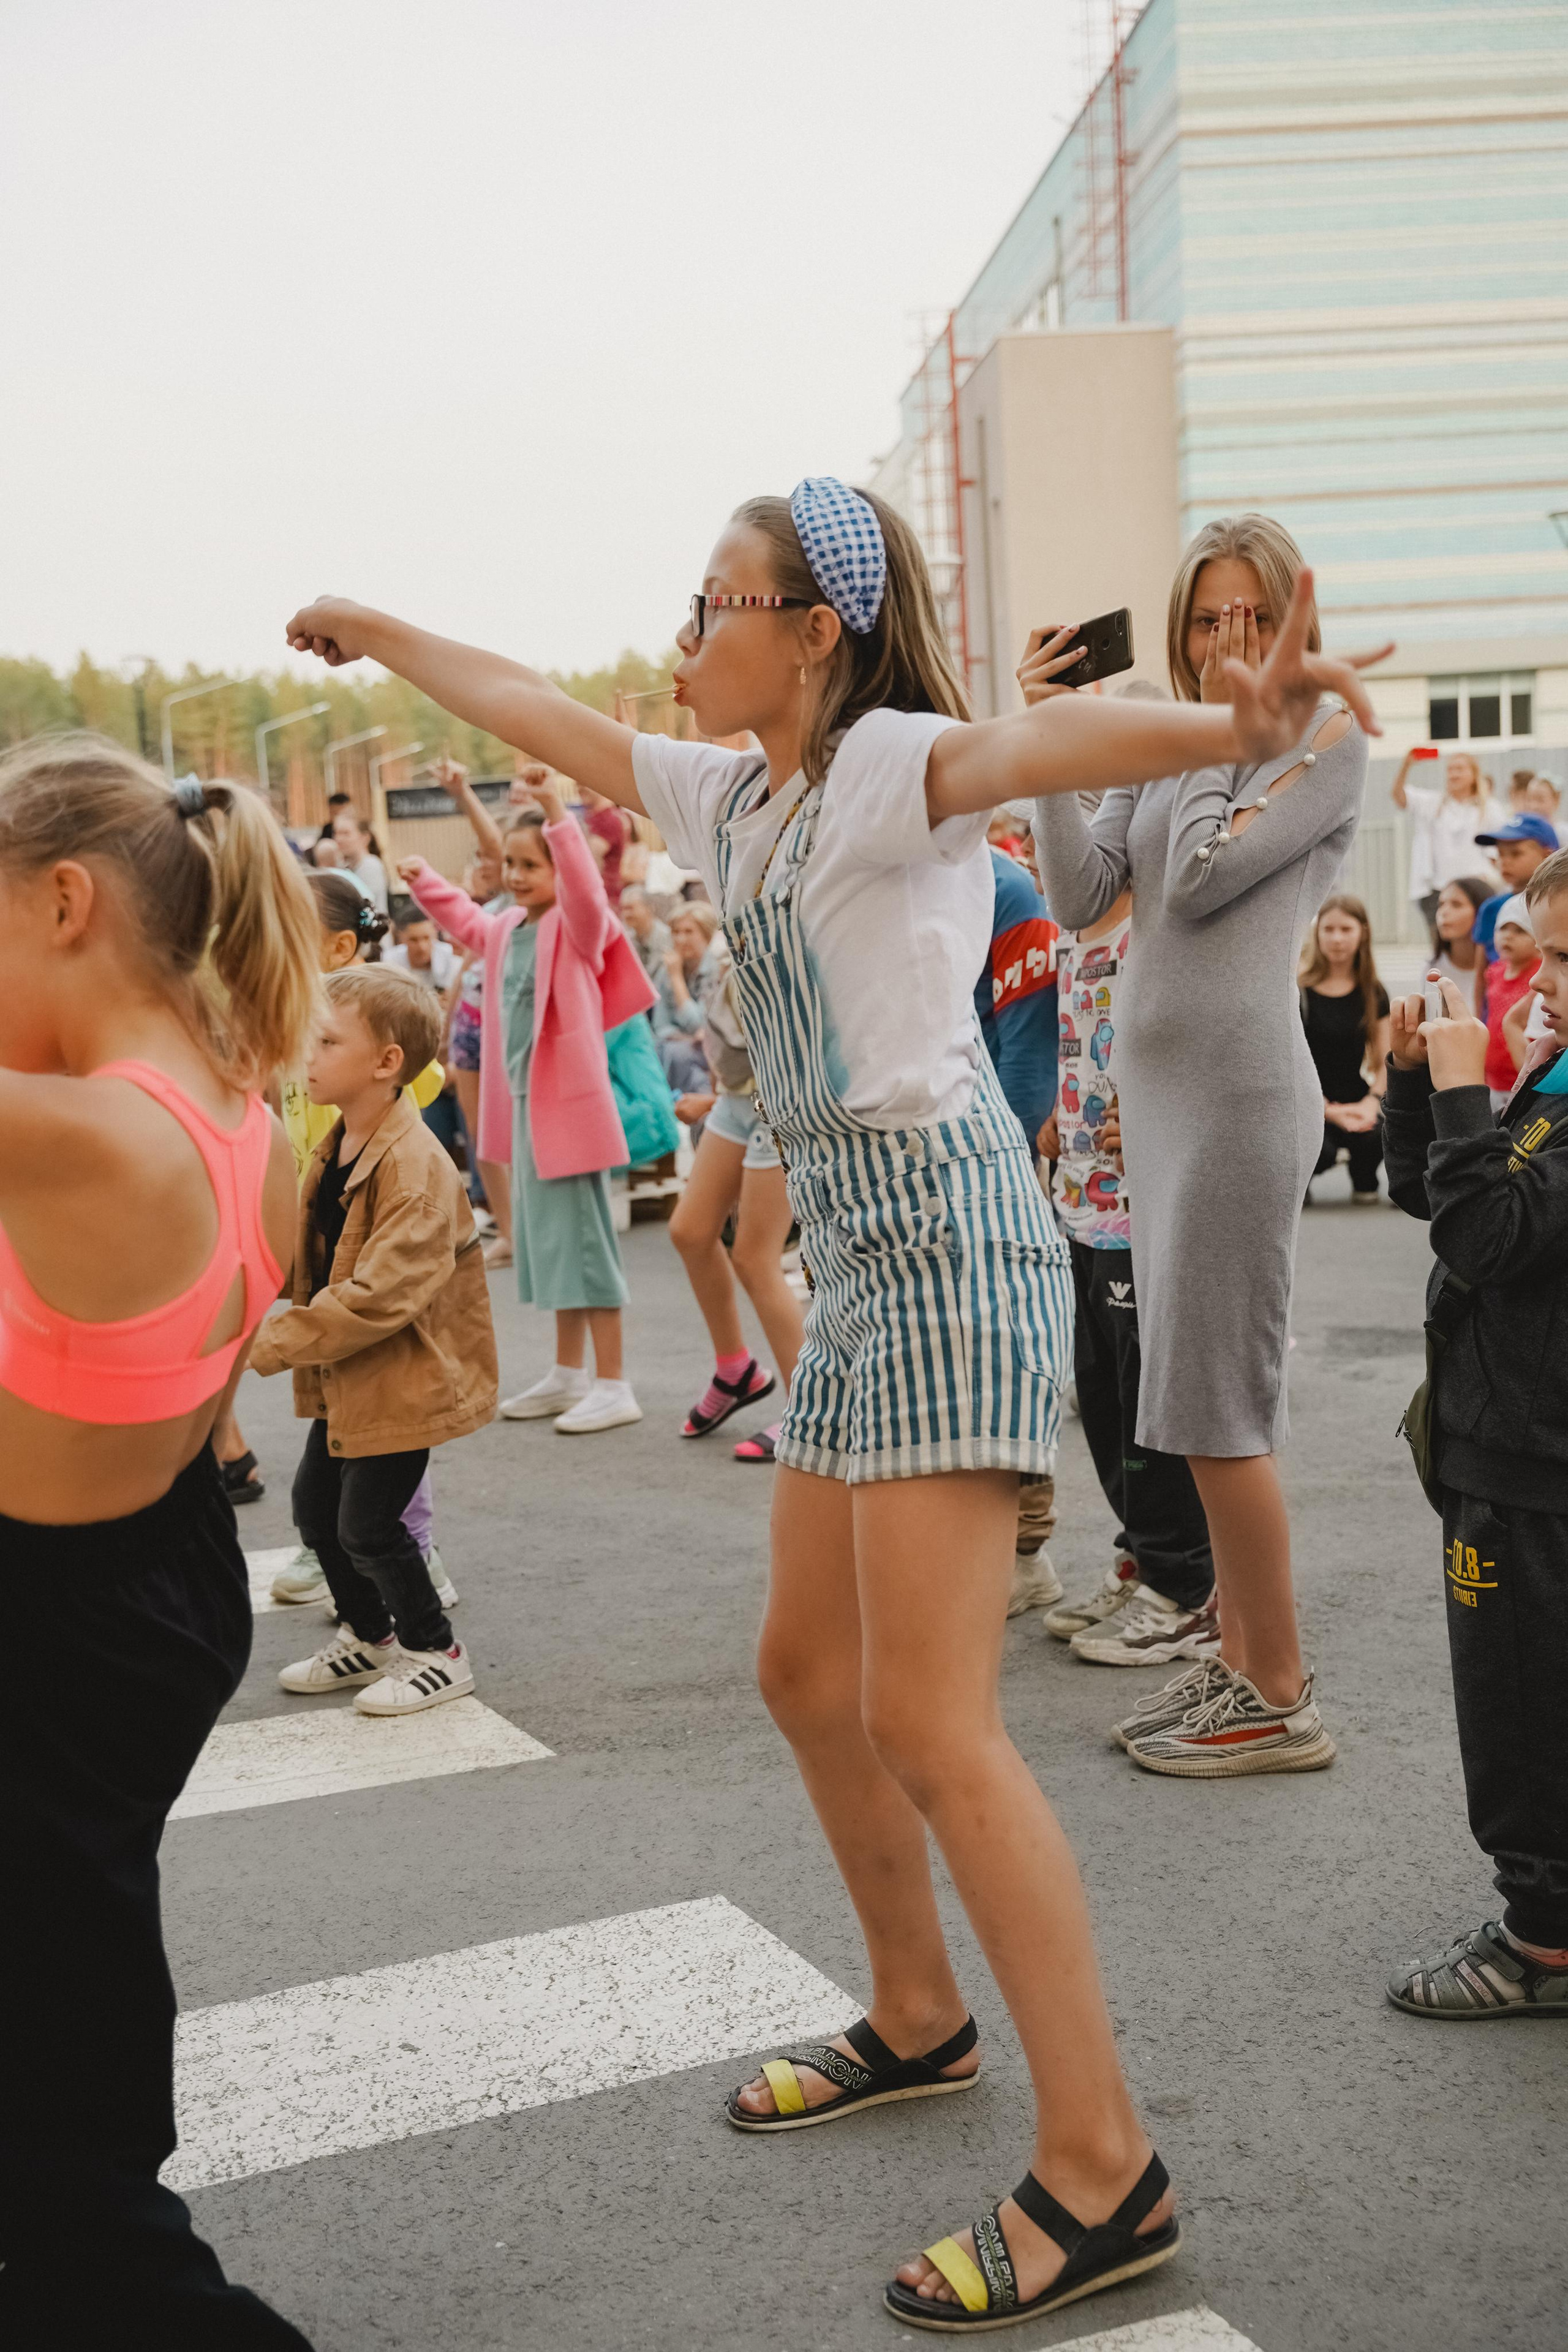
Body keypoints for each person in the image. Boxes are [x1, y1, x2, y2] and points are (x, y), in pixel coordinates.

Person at [285, 480, 1378, 2332]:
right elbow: (541, 708)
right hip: (863, 1265)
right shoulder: (740, 792)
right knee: (807, 1673)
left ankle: (1104, 2165)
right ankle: (919, 2012)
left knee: (936, 1723)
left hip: (948, 1240)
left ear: (815, 628)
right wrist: (381, 628)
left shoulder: (879, 763)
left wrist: (1230, 725)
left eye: (720, 596)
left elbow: (1033, 738)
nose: (689, 623)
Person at [0, 734, 317, 2345]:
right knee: (75, 1971)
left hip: (51, 1632)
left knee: (60, 2179)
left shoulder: (92, 1140)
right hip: (164, 1578)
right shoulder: (238, 1106)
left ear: (62, 903)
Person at [1032, 514, 1380, 1784]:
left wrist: (1223, 734)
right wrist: (1056, 747)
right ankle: (1239, 1658)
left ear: (1291, 621)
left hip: (1238, 1106)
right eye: (1203, 619)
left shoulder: (1317, 741)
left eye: (1251, 616)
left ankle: (1277, 1693)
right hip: (1162, 1111)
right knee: (1179, 1402)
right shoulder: (1175, 739)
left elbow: (1185, 879)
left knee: (1217, 1409)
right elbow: (1079, 896)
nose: (1226, 640)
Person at [1381, 851, 1568, 2017]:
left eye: (1566, 959)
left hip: (1532, 1464)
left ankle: (1541, 1938)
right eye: (1545, 954)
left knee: (1515, 1701)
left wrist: (1464, 1093)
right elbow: (1441, 1204)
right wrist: (1418, 1085)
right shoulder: (1555, 1076)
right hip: (1510, 1444)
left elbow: (1489, 1238)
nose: (1545, 980)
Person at [249, 966, 495, 1713]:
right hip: (351, 1373)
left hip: (402, 1374)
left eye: (326, 1041)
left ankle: (435, 1650)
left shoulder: (414, 1165)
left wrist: (272, 1340)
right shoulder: (339, 1142)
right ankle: (369, 1637)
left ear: (387, 1063)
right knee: (317, 1513)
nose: (307, 1054)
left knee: (368, 1524)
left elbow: (383, 1293)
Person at [398, 775, 654, 1435]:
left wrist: (552, 814)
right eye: (508, 864)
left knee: (589, 1245)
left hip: (569, 1110)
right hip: (527, 1110)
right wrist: (424, 878)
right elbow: (464, 919)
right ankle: (570, 1374)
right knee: (551, 1246)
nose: (514, 875)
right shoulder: (508, 928)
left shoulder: (577, 927)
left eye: (529, 865)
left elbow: (588, 894)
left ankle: (614, 1381)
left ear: (558, 869)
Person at [1019, 869, 1218, 1680]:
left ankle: (1184, 1587)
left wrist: (1164, 1119)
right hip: (1080, 1203)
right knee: (1100, 1397)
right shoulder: (1069, 936)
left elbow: (1217, 1046)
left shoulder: (1163, 936)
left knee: (1148, 1411)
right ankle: (1141, 1553)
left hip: (1147, 1211)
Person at [267, 871, 459, 1615]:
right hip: (322, 1229)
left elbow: (426, 1070)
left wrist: (364, 1103)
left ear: (340, 947)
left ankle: (410, 1550)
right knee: (341, 1405)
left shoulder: (361, 1020)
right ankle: (344, 1543)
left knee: (388, 1408)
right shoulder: (299, 1017)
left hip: (368, 1232)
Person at [667, 946, 807, 1463]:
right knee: (690, 1230)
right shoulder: (733, 894)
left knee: (755, 1256)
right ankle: (736, 1371)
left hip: (783, 1095)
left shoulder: (795, 887)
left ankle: (808, 1409)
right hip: (735, 1095)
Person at [973, 839, 1063, 1614]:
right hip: (907, 1148)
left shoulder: (1007, 893)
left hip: (987, 1155)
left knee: (1004, 1350)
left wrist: (993, 1168)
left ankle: (1025, 1552)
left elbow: (1028, 1052)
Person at [1298, 894, 1390, 1204]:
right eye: (1329, 929)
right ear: (1317, 933)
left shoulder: (1374, 992)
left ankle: (1364, 1177)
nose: (1337, 939)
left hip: (1356, 1098)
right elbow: (1286, 1064)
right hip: (1307, 1102)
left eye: (1346, 929)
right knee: (1317, 1150)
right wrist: (1327, 1110)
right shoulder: (1298, 990)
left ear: (1362, 932)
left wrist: (1371, 1102)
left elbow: (1386, 1063)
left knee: (1376, 1133)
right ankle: (1300, 1183)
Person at [1392, 749, 1503, 944]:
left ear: (1473, 775)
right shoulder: (1432, 803)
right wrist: (1406, 765)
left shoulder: (1490, 809)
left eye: (1460, 769)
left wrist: (1494, 879)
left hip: (1477, 890)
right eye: (1450, 769)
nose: (1453, 774)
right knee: (1441, 948)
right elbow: (1400, 797)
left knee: (1479, 946)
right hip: (1437, 891)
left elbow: (1499, 850)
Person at [652, 899, 725, 1091]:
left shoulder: (716, 971)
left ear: (707, 936)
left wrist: (677, 979)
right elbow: (660, 1026)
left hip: (710, 1050)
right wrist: (686, 1038)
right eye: (676, 932)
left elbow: (699, 1023)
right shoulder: (665, 970)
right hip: (675, 1047)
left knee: (678, 1056)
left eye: (689, 932)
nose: (680, 939)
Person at [1481, 894, 1542, 1107]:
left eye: (1519, 930)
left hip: (1521, 1074)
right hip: (1493, 1079)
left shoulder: (1540, 975)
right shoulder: (1494, 972)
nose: (1508, 937)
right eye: (1503, 929)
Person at [1470, 814, 1558, 960]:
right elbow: (1482, 973)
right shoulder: (1490, 909)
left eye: (1516, 853)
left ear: (1547, 856)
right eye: (1501, 854)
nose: (1505, 862)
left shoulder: (1558, 906)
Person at [1429, 874, 1494, 1014]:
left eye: (1456, 905)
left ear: (1483, 911)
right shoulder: (1432, 969)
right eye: (1441, 905)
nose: (1443, 913)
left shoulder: (1500, 969)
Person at [383, 907, 460, 992]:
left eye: (426, 938)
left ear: (436, 934)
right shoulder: (390, 962)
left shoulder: (451, 958)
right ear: (401, 938)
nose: (422, 947)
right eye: (414, 940)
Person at [331, 804, 389, 911]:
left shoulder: (371, 866)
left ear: (365, 838)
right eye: (336, 833)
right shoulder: (345, 867)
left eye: (346, 833)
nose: (339, 839)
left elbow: (360, 907)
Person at [620, 881, 672, 986]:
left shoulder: (669, 938)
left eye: (631, 908)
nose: (626, 914)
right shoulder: (627, 940)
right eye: (624, 909)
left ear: (649, 908)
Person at [1524, 773, 1563, 843]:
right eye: (1530, 799)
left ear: (1556, 800)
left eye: (1540, 799)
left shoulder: (1563, 834)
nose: (1534, 806)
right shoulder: (1521, 832)